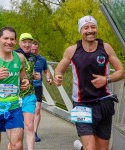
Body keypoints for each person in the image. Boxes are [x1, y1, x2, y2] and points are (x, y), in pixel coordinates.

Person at [54, 15, 125, 150]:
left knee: (102, 148)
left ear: (96, 29)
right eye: (86, 28)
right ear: (80, 31)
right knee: (90, 148)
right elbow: (59, 69)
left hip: (104, 102)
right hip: (81, 104)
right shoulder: (72, 50)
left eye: (93, 27)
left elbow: (121, 71)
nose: (90, 30)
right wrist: (58, 76)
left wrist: (106, 79)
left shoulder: (106, 48)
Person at [15, 33, 40, 150]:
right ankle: (13, 145)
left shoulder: (33, 57)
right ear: (19, 42)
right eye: (24, 42)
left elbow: (32, 71)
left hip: (29, 95)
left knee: (29, 126)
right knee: (17, 128)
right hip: (14, 97)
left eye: (29, 42)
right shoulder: (13, 55)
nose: (27, 44)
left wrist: (35, 75)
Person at [31, 40, 52, 142]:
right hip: (25, 87)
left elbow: (46, 70)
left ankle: (34, 133)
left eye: (36, 49)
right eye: (32, 49)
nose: (34, 51)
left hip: (38, 86)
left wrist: (48, 78)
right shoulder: (24, 58)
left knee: (38, 109)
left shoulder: (42, 59)